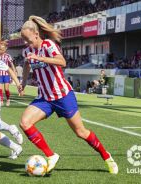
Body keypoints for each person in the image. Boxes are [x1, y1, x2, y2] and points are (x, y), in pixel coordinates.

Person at [19, 15, 118, 174]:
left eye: (28, 39)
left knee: (81, 132)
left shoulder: (48, 45)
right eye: (23, 40)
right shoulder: (27, 51)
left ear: (36, 34)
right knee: (25, 122)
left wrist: (40, 57)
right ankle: (51, 156)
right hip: (44, 97)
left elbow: (62, 62)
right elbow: (26, 64)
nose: (25, 43)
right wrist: (23, 82)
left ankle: (107, 157)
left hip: (63, 95)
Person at [0, 41, 16, 106]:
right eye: (0, 49)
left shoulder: (7, 56)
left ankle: (8, 99)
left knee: (6, 89)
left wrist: (14, 72)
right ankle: (1, 100)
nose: (1, 51)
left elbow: (11, 64)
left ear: (5, 49)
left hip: (6, 74)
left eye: (2, 49)